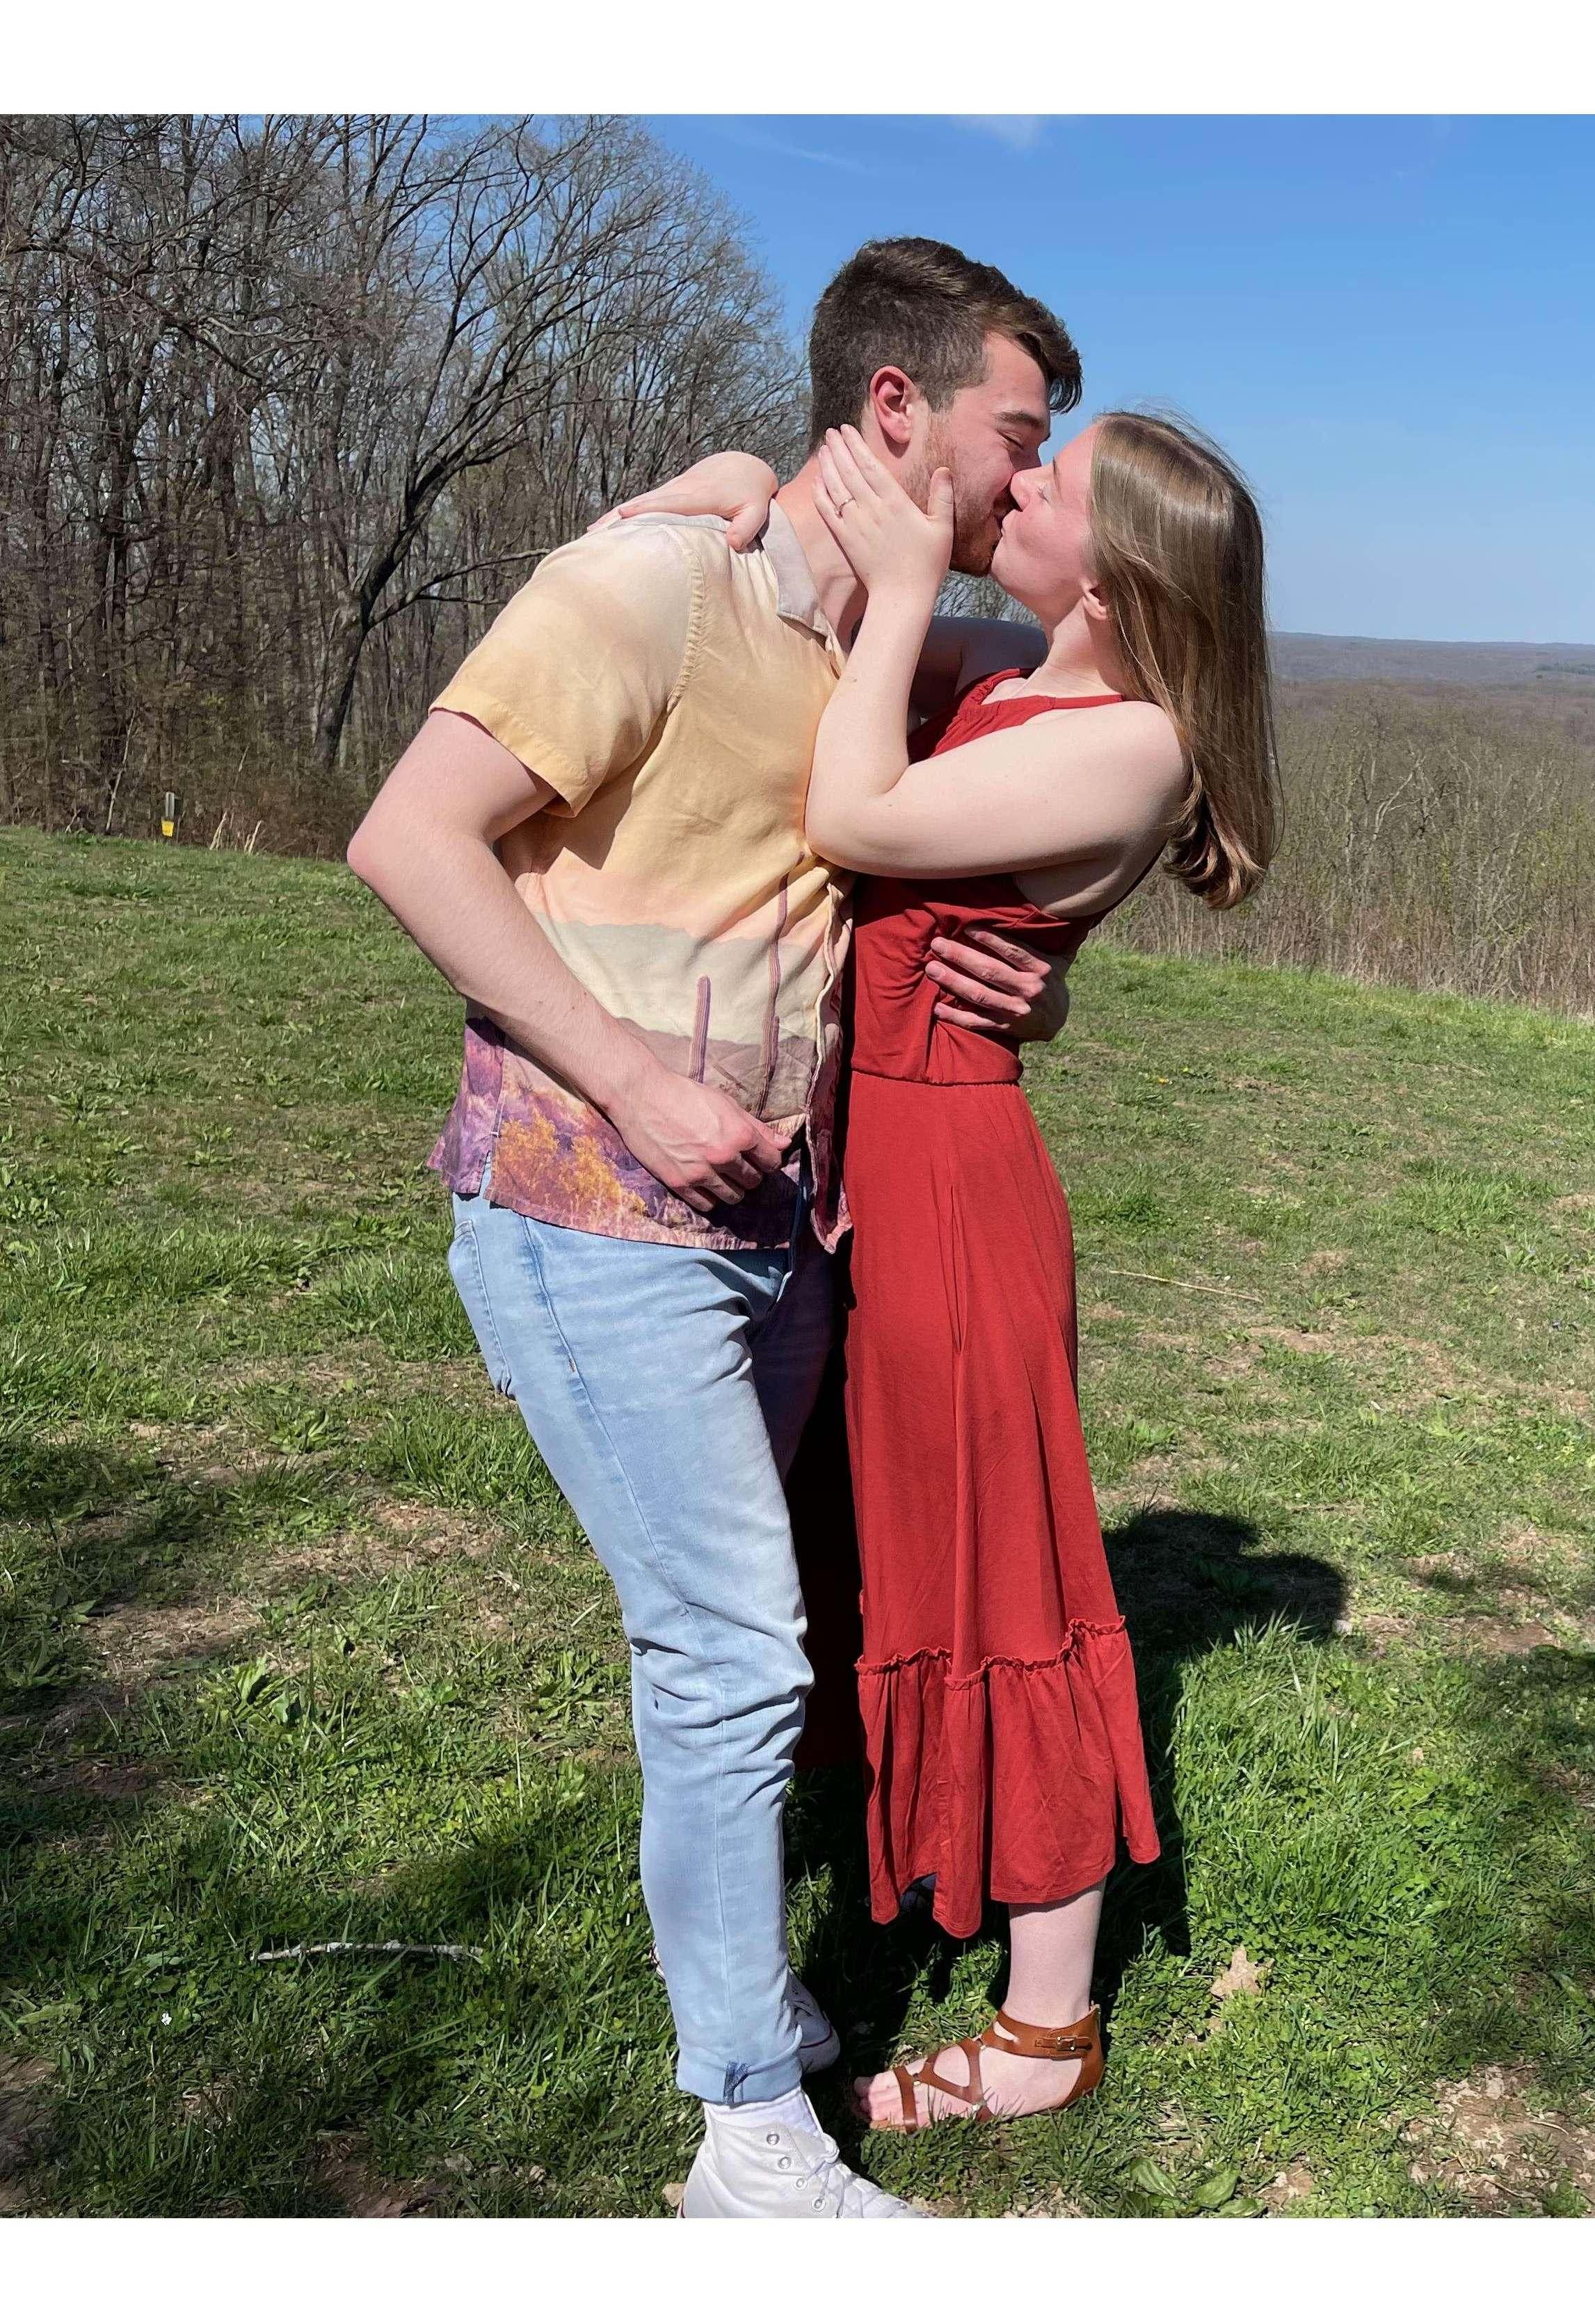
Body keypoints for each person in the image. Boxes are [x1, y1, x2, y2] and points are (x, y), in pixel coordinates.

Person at [346, 238, 1089, 2219]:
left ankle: (748, 1991)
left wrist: (1038, 976)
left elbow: (1059, 761)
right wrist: (627, 1073)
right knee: (735, 1652)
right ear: (897, 417)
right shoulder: (653, 585)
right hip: (593, 1206)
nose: (1036, 485)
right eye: (1021, 441)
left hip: (779, 1232)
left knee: (736, 1641)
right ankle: (750, 2133)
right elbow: (406, 833)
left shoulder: (900, 661)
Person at [646, 409, 1278, 2127]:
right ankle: (898, 1873)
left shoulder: (1135, 740)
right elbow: (839, 643)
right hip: (887, 1159)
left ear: (1121, 564)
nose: (1017, 487)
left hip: (956, 1189)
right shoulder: (1039, 678)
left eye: (1053, 487)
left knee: (1012, 1580)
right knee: (891, 1552)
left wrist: (919, 573)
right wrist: (727, 494)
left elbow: (855, 811)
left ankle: (1045, 2028)